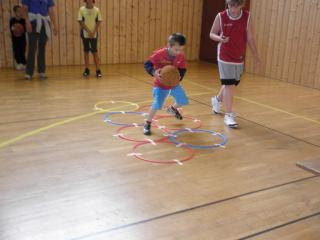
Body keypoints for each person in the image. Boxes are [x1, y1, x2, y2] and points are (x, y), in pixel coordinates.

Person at [210, 0, 260, 128]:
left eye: (236, 5)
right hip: (224, 55)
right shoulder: (221, 16)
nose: (233, 8)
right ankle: (228, 115)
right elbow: (212, 34)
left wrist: (255, 55)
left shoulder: (247, 17)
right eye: (230, 5)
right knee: (229, 84)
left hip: (239, 56)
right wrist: (220, 38)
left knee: (232, 83)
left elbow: (250, 37)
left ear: (242, 4)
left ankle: (217, 100)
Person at [143, 33, 188, 136]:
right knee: (157, 104)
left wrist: (180, 76)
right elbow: (147, 64)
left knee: (183, 101)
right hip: (160, 84)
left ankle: (172, 108)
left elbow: (182, 69)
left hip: (174, 83)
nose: (179, 52)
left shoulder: (180, 56)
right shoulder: (159, 54)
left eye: (181, 49)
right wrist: (154, 73)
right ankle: (147, 123)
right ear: (169, 45)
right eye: (177, 50)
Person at [22, 0, 58, 80]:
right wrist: (27, 22)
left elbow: (51, 11)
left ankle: (41, 71)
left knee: (42, 47)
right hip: (33, 21)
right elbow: (24, 9)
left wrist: (55, 25)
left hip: (44, 22)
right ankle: (29, 72)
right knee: (32, 46)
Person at [78, 0, 102, 78]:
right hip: (85, 34)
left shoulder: (97, 10)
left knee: (95, 51)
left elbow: (98, 21)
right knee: (86, 51)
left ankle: (98, 70)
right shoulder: (81, 9)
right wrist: (89, 32)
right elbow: (81, 22)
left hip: (94, 34)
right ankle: (87, 69)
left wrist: (94, 31)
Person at [10, 5, 27, 71]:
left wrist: (21, 29)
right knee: (17, 51)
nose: (19, 12)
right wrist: (15, 29)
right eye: (18, 11)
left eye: (20, 11)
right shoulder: (12, 20)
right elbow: (12, 29)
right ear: (15, 12)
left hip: (22, 39)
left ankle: (24, 63)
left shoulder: (23, 20)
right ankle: (18, 63)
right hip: (15, 39)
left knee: (22, 51)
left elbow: (25, 30)